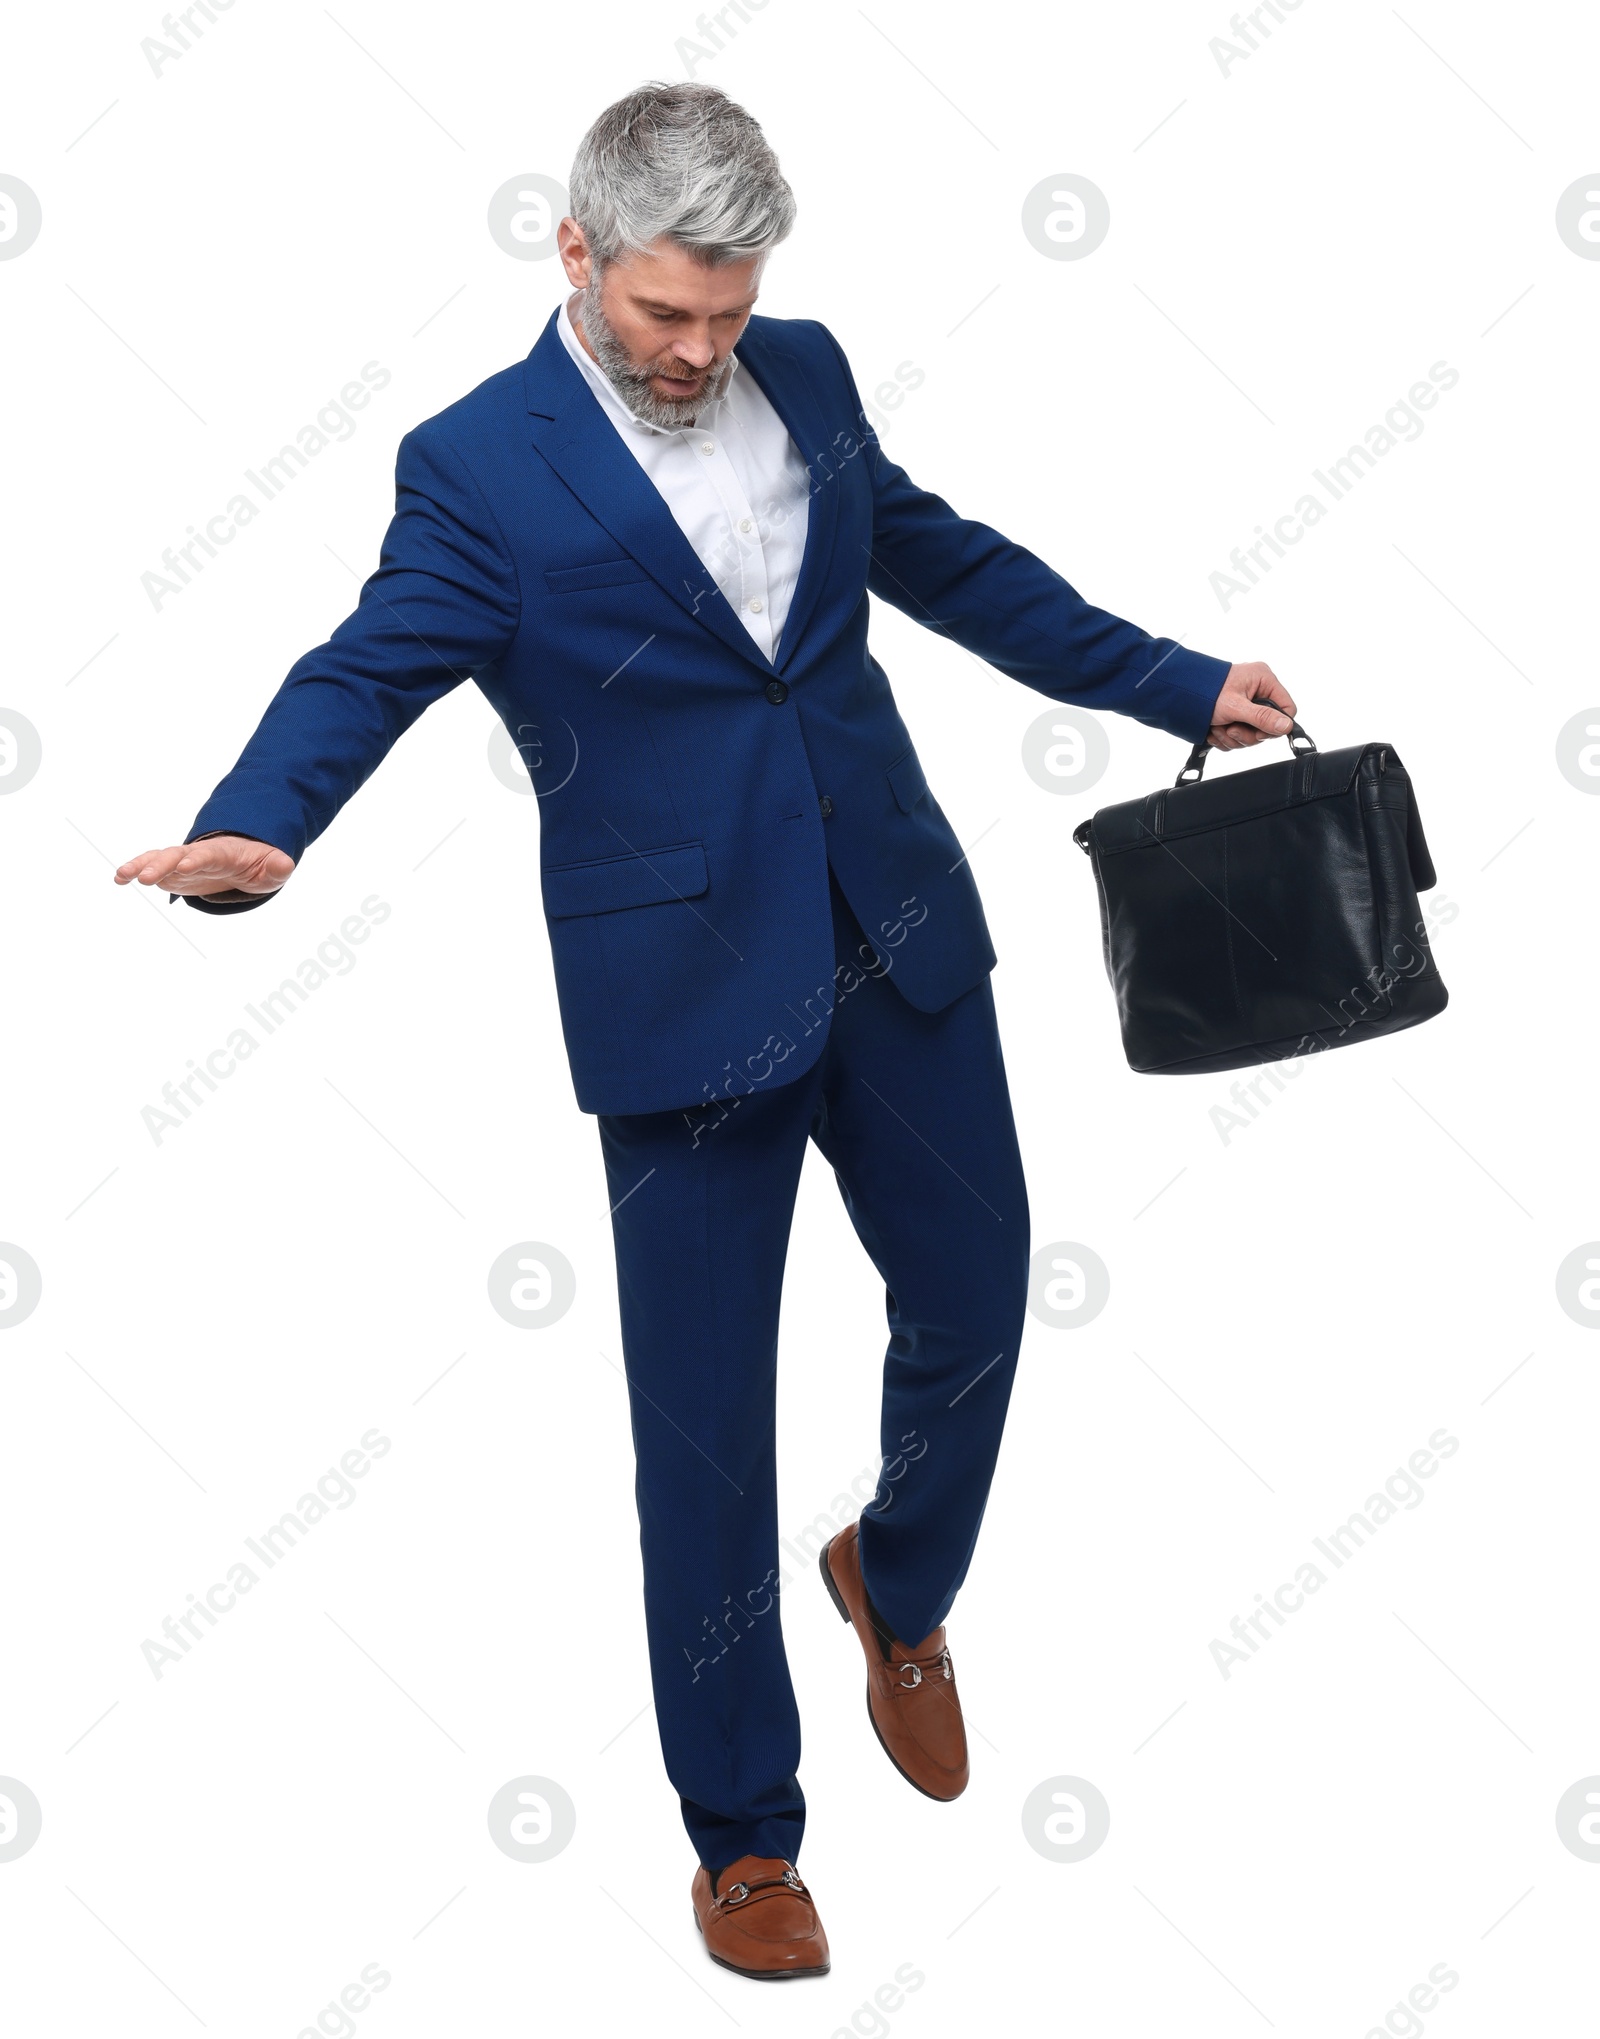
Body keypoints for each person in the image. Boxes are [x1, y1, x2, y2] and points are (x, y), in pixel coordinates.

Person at [116, 81, 1297, 1981]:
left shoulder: (804, 370)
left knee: (987, 1295)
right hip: (680, 999)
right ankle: (745, 1839)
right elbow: (372, 658)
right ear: (572, 250)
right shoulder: (478, 466)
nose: (701, 351)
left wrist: (1171, 678)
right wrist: (264, 824)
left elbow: (945, 559)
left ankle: (895, 1587)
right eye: (669, 313)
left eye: (729, 314)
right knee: (706, 1437)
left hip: (891, 930)